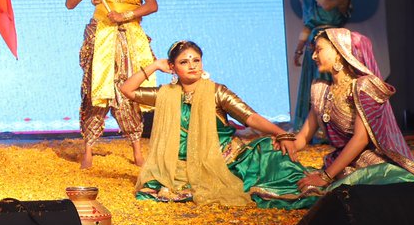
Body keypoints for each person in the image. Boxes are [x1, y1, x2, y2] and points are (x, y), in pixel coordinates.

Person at [121, 40, 316, 208]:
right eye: (184, 62)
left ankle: (314, 182)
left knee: (271, 152)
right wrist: (154, 65)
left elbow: (250, 117)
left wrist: (281, 133)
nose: (192, 66)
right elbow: (127, 90)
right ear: (172, 67)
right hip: (181, 165)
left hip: (225, 158)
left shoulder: (216, 91)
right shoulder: (165, 95)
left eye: (196, 60)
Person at [294, 28, 414, 193]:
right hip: (339, 164)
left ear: (339, 52)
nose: (313, 56)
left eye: (318, 50)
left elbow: (360, 139)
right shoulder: (321, 90)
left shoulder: (363, 87)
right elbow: (303, 138)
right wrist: (279, 143)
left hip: (368, 164)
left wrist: (326, 176)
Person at [65, 0, 157, 168]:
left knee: (130, 89)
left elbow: (151, 5)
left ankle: (137, 150)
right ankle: (88, 151)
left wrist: (125, 16)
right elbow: (71, 3)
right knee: (96, 89)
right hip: (102, 36)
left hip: (129, 38)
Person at [291, 0, 352, 134]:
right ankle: (311, 128)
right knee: (314, 83)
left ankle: (331, 127)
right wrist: (299, 49)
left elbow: (327, 6)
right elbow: (308, 24)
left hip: (333, 42)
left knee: (330, 81)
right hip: (314, 42)